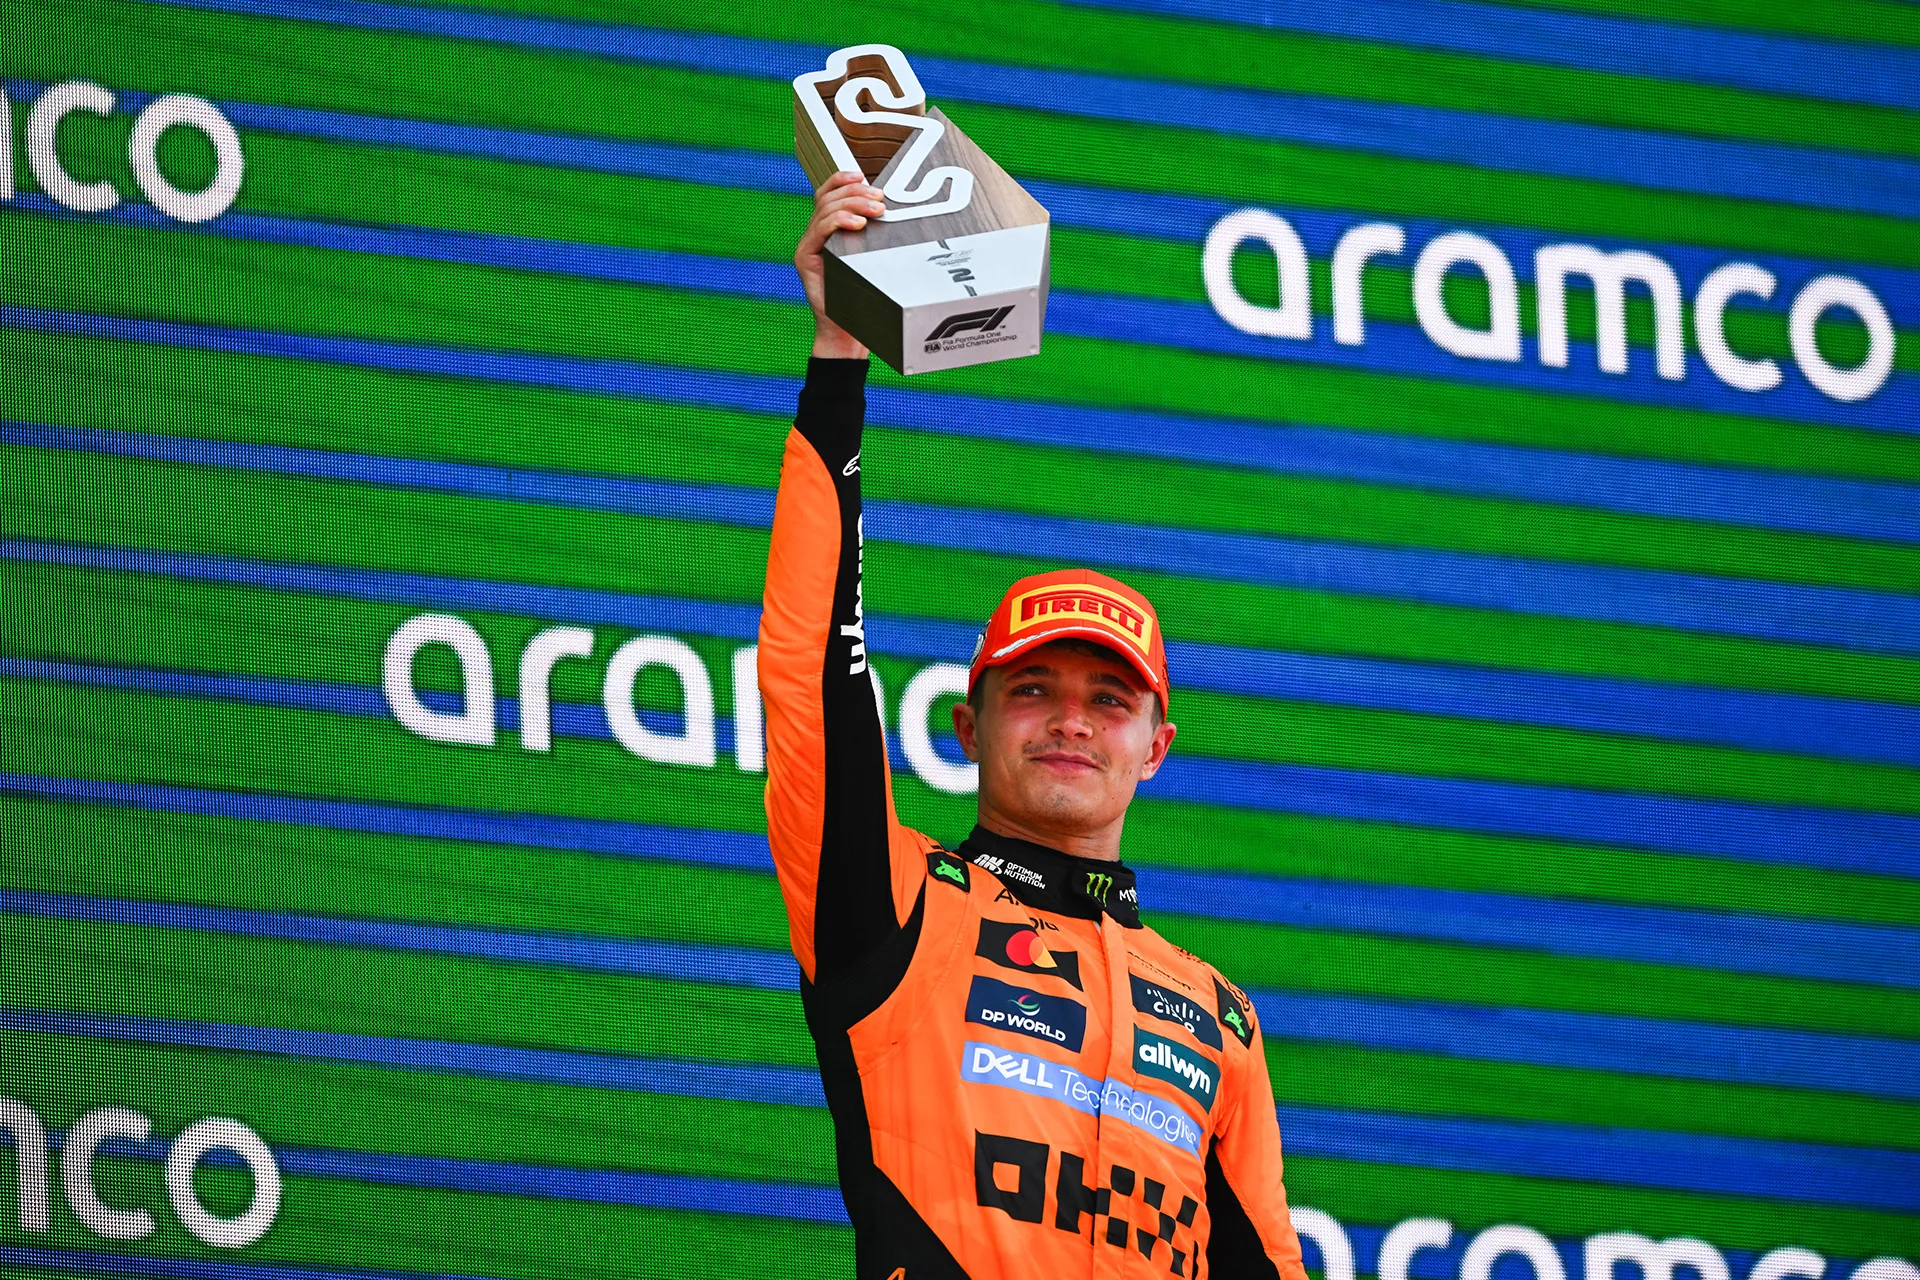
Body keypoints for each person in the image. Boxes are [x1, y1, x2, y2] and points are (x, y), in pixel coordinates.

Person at [757, 168, 1311, 1279]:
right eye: (1032, 689)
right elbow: (812, 674)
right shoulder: (898, 908)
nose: (1070, 722)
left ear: (1154, 748)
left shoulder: (1221, 1021)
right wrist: (838, 354)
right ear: (969, 726)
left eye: (1109, 699)